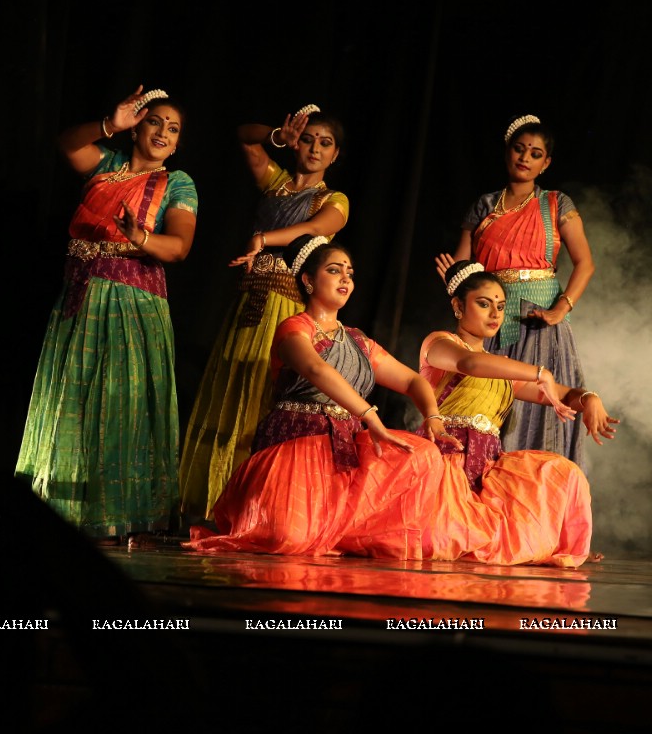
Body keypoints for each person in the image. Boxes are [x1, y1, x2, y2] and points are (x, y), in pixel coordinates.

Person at [184, 235, 459, 558]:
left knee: (423, 454)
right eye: (334, 270)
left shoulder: (359, 342)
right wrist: (369, 415)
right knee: (289, 538)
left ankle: (341, 533)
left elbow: (414, 380)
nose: (346, 277)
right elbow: (316, 369)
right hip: (297, 445)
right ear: (308, 280)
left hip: (345, 448)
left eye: (350, 272)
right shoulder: (294, 328)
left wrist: (433, 418)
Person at [16, 85, 197, 548]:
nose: (162, 132)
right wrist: (107, 126)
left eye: (172, 129)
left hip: (131, 301)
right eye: (154, 120)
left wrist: (139, 239)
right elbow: (67, 144)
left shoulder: (177, 183)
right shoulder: (107, 165)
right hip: (79, 297)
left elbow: (177, 248)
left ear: (176, 145)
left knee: (122, 405)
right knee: (73, 404)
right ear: (137, 125)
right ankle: (62, 514)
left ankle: (120, 518)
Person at [178, 104, 350, 524]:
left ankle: (257, 509)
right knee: (230, 390)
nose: (313, 148)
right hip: (248, 304)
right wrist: (278, 134)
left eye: (324, 143)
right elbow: (243, 135)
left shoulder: (334, 199)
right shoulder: (275, 184)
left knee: (265, 400)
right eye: (308, 139)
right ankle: (211, 504)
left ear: (335, 155)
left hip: (288, 307)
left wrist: (264, 238)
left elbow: (315, 229)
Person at [417, 260, 619, 566]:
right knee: (452, 536)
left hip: (486, 468)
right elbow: (469, 364)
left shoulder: (500, 367)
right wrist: (539, 372)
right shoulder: (441, 344)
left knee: (562, 473)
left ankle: (558, 544)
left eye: (500, 305)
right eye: (484, 304)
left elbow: (563, 394)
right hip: (447, 462)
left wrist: (589, 398)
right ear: (458, 306)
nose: (496, 314)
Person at [439, 114, 595, 464]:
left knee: (538, 410)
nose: (525, 158)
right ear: (507, 152)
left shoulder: (556, 204)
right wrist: (455, 281)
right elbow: (463, 271)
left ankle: (531, 504)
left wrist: (561, 309)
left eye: (535, 153)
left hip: (539, 326)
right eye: (519, 149)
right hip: (490, 325)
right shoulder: (484, 205)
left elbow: (586, 263)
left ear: (546, 163)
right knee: (488, 411)